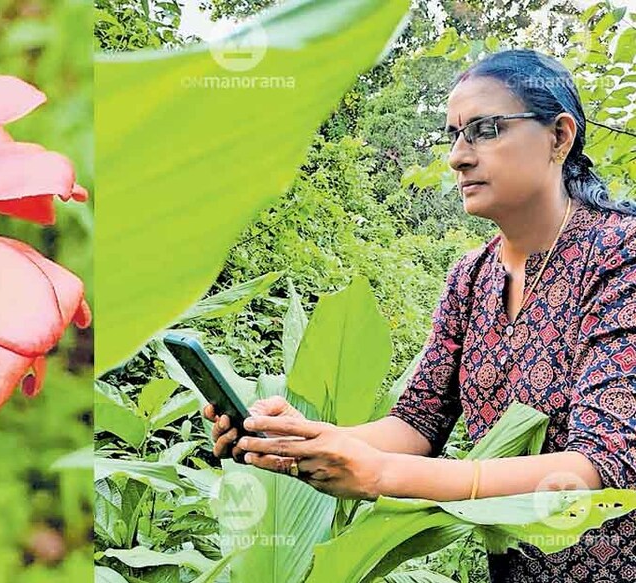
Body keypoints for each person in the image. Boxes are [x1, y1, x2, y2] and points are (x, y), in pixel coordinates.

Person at [203, 49, 636, 581]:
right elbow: (417, 423)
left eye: (485, 129)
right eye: (453, 135)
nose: (458, 157)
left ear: (559, 137)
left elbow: (600, 466)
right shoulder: (471, 278)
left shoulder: (620, 255)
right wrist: (302, 440)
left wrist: (380, 473)